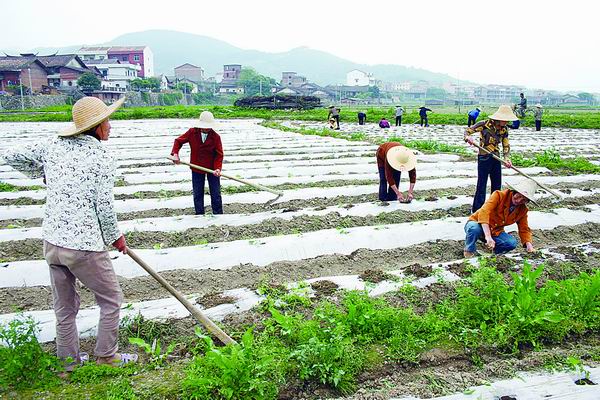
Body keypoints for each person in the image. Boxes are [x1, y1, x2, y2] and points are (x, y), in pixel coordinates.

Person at [3, 96, 137, 370]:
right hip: (83, 245)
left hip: (53, 242)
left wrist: (44, 173)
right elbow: (103, 205)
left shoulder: (54, 145)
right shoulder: (102, 157)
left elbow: (9, 154)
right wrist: (116, 238)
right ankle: (106, 356)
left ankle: (68, 364)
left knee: (64, 306)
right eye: (108, 121)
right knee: (112, 300)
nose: (110, 126)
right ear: (98, 126)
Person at [464, 178, 538, 258]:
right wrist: (488, 236)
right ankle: (469, 250)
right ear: (514, 192)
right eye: (518, 196)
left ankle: (492, 253)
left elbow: (524, 229)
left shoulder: (522, 210)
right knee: (474, 228)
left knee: (511, 243)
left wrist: (529, 245)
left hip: (495, 230)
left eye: (523, 200)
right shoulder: (499, 195)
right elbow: (484, 212)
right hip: (479, 223)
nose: (519, 200)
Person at [464, 104, 517, 213]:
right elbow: (468, 131)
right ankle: (477, 211)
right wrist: (468, 138)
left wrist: (507, 158)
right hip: (484, 157)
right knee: (482, 185)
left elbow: (506, 145)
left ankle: (495, 209)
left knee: (497, 185)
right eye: (505, 120)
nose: (506, 122)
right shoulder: (484, 124)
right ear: (499, 118)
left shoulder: (504, 129)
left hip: (496, 158)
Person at [170, 111, 224, 215]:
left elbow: (219, 154)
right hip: (196, 167)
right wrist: (175, 154)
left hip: (212, 169)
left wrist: (217, 168)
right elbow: (178, 141)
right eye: (204, 126)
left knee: (216, 193)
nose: (206, 129)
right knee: (198, 193)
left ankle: (218, 214)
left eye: (208, 127)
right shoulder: (192, 132)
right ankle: (199, 214)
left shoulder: (216, 137)